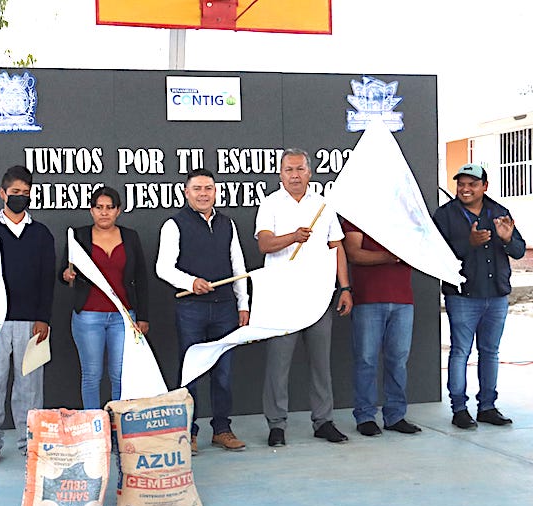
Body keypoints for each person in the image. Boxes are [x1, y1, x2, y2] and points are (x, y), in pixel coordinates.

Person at [255, 148, 351, 446]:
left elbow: (337, 248)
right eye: (288, 170)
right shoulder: (270, 204)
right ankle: (276, 425)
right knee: (277, 364)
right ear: (280, 174)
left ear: (309, 172)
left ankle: (323, 421)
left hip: (319, 295)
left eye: (299, 169)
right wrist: (293, 237)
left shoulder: (324, 205)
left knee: (321, 364)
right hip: (282, 298)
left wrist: (344, 287)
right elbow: (265, 244)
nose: (294, 175)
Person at [156, 168, 249, 455]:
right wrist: (190, 283)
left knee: (223, 373)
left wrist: (243, 304)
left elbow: (238, 267)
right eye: (197, 188)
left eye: (208, 188)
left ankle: (222, 430)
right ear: (186, 192)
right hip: (191, 309)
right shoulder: (174, 224)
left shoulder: (227, 224)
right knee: (191, 372)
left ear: (215, 191)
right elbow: (163, 267)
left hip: (225, 310)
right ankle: (189, 432)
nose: (203, 193)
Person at [0, 165, 55, 466]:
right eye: (15, 192)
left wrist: (43, 317)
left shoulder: (41, 234)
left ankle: (29, 440)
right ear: (2, 193)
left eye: (25, 193)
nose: (20, 197)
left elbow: (47, 279)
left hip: (31, 320)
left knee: (30, 386)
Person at [433, 163, 526, 429]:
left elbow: (519, 251)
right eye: (461, 184)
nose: (465, 189)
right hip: (463, 295)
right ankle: (459, 409)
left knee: (490, 352)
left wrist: (508, 239)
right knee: (460, 351)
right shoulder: (445, 215)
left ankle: (487, 406)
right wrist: (468, 244)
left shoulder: (499, 212)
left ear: (484, 187)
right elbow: (437, 254)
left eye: (472, 184)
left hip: (496, 294)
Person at [60, 186, 149, 409]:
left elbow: (141, 277)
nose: (104, 212)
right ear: (91, 210)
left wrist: (143, 316)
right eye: (99, 207)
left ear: (118, 211)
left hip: (123, 316)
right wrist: (66, 274)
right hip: (89, 315)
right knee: (91, 374)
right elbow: (64, 272)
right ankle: (94, 427)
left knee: (120, 374)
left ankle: (118, 426)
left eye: (110, 207)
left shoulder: (130, 237)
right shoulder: (78, 235)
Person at [342, 220, 421, 436]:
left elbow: (418, 249)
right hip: (369, 297)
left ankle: (395, 415)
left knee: (398, 360)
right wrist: (390, 257)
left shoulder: (404, 216)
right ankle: (365, 416)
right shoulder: (357, 216)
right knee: (366, 359)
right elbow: (354, 253)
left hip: (403, 298)